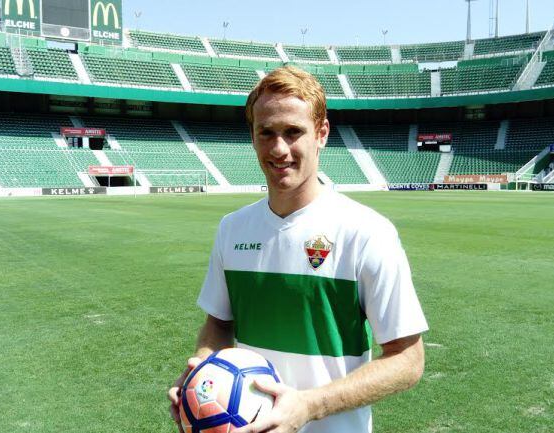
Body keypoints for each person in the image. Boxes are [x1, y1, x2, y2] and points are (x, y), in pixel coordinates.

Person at [168, 65, 428, 433]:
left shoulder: (367, 232)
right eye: (266, 133)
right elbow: (218, 325)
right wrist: (200, 371)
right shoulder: (232, 229)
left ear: (321, 134)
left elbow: (408, 359)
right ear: (253, 136)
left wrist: (309, 405)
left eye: (293, 132)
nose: (278, 149)